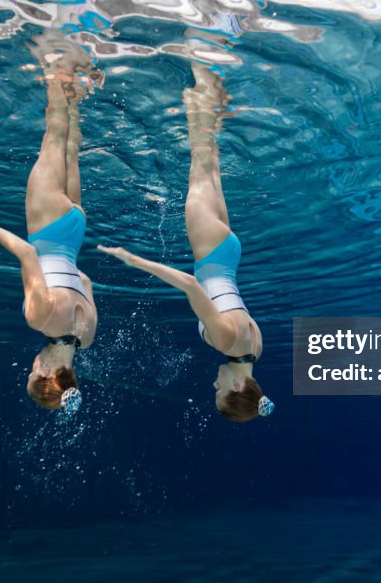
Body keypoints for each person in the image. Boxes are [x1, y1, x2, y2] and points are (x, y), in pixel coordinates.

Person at [99, 62, 273, 422]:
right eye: (221, 391)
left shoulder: (255, 350)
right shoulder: (227, 344)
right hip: (210, 252)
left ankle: (214, 99)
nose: (214, 385)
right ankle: (202, 77)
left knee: (210, 166)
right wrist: (136, 261)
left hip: (228, 255)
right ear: (238, 388)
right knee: (198, 164)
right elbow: (192, 286)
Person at [0, 39, 99, 412]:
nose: (30, 367)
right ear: (45, 372)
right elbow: (28, 253)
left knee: (71, 146)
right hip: (49, 227)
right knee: (53, 136)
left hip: (75, 229)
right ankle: (63, 60)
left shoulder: (87, 336)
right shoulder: (40, 319)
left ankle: (80, 89)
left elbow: (86, 281)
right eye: (32, 374)